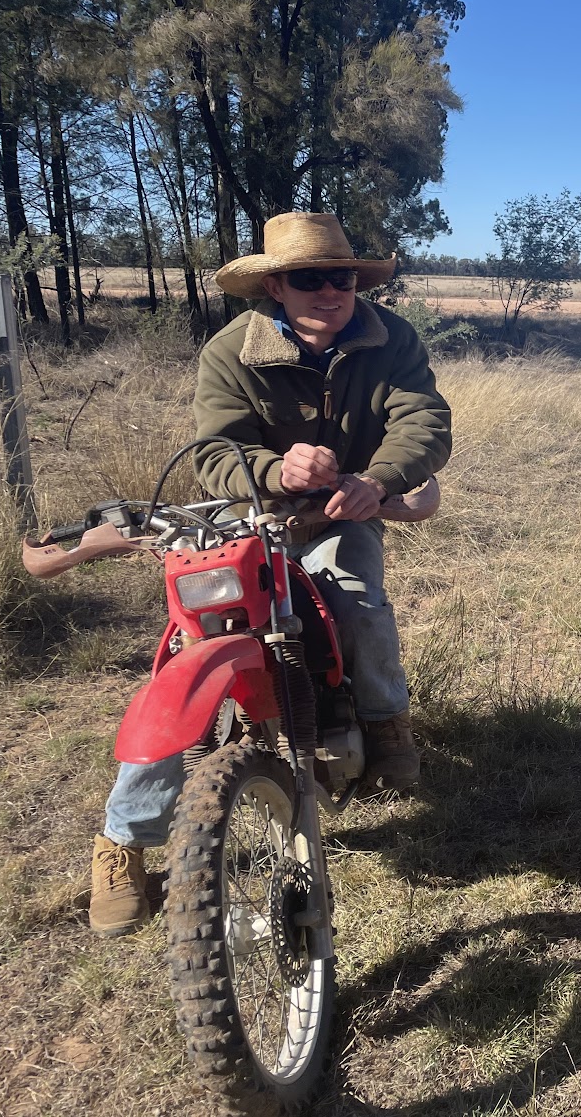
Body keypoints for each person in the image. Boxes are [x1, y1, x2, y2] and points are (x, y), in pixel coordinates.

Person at [89, 212, 452, 936]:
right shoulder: (231, 350)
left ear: (358, 280)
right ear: (275, 287)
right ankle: (122, 843)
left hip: (345, 510)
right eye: (308, 278)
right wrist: (271, 468)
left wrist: (376, 481)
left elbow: (425, 421)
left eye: (340, 276)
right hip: (247, 516)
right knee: (187, 657)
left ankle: (384, 725)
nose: (328, 291)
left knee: (353, 593)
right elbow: (213, 450)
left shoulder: (392, 338)